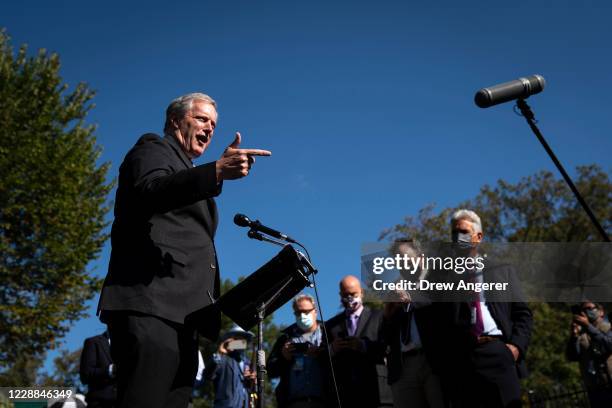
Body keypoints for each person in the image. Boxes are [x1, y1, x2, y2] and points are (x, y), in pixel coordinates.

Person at [97, 92, 271, 408]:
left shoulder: (188, 171)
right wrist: (216, 170)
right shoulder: (152, 148)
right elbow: (151, 190)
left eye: (214, 125)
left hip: (185, 318)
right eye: (202, 119)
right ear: (176, 120)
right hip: (151, 305)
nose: (209, 129)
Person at [436, 209, 533, 408]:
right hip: (463, 360)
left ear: (478, 237)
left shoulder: (502, 271)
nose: (458, 238)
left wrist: (515, 347)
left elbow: (522, 313)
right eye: (454, 234)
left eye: (463, 232)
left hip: (498, 351)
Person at [382, 241, 444, 408]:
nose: (403, 265)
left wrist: (411, 299)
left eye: (405, 259)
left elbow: (443, 311)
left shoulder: (439, 280)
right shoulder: (395, 290)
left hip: (434, 363)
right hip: (403, 368)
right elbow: (384, 338)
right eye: (398, 261)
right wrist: (388, 314)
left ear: (420, 257)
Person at [325, 275, 392, 407]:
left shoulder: (379, 316)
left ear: (361, 292)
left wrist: (363, 345)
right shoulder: (331, 325)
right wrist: (332, 348)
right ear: (340, 295)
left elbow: (388, 347)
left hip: (377, 391)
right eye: (345, 294)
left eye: (353, 293)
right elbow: (322, 357)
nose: (350, 298)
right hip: (346, 394)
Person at [268, 294, 327, 408]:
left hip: (324, 401)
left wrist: (321, 354)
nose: (302, 316)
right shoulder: (285, 338)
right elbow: (271, 371)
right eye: (298, 313)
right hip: (294, 403)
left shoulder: (328, 332)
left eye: (306, 311)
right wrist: (284, 357)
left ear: (315, 311)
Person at [566, 301, 612, 407]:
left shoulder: (609, 327)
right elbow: (572, 356)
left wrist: (588, 326)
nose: (586, 312)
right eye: (584, 309)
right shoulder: (581, 334)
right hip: (595, 389)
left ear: (601, 312)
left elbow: (609, 345)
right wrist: (574, 336)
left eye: (590, 308)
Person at [210, 325, 256, 408]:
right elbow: (208, 375)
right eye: (237, 339)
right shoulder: (223, 358)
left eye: (243, 339)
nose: (240, 342)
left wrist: (253, 381)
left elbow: (251, 389)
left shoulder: (248, 362)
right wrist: (219, 353)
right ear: (230, 340)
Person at [79, 330, 117, 408]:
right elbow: (85, 375)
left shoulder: (133, 343)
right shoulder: (93, 342)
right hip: (100, 403)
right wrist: (111, 369)